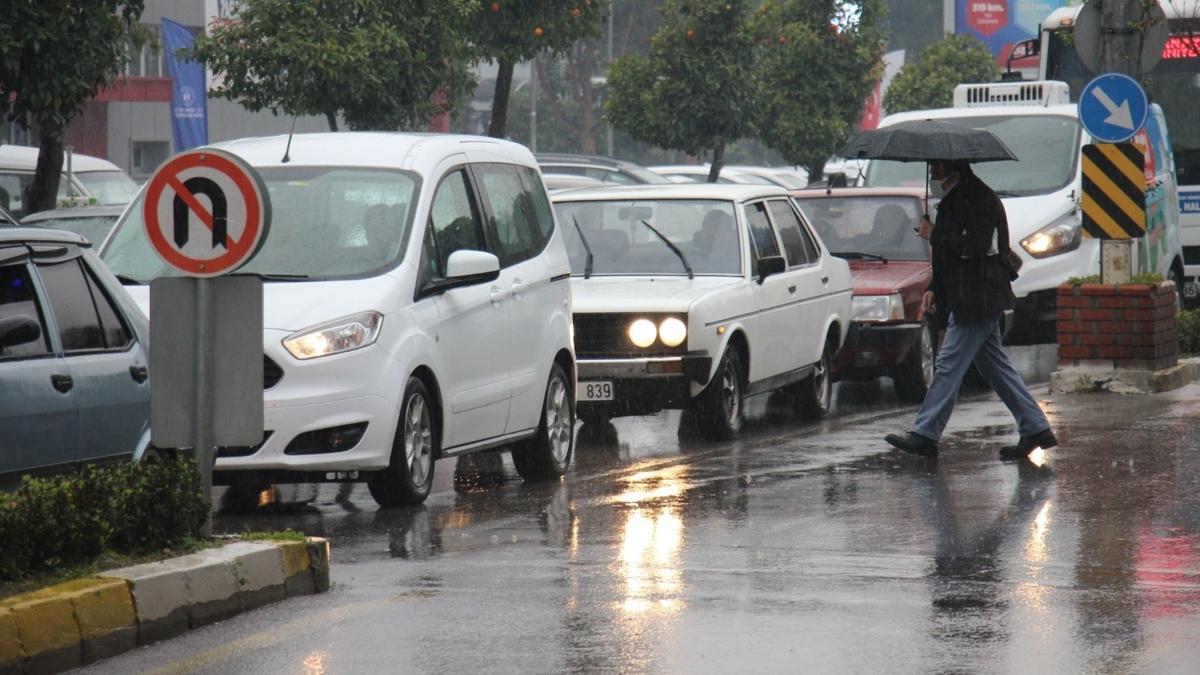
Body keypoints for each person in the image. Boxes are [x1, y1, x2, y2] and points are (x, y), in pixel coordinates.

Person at [885, 159, 1056, 461]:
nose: (932, 174)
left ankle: (925, 434)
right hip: (968, 294)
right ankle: (1035, 427)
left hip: (979, 296)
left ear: (954, 168)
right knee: (995, 368)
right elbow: (948, 255)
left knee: (949, 364)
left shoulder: (980, 199)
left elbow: (976, 246)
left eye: (936, 168)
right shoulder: (953, 199)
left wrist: (933, 233)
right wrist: (935, 287)